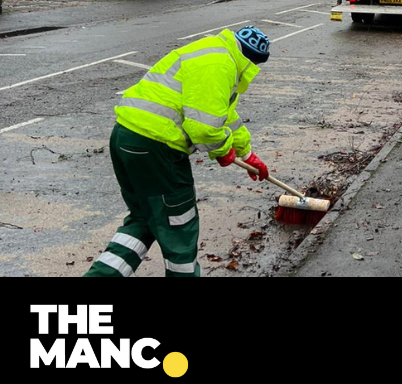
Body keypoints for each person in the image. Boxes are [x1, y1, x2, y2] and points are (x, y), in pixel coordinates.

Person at [84, 26, 272, 277]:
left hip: (126, 138)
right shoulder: (221, 66)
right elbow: (205, 129)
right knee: (180, 227)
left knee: (145, 220)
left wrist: (247, 154)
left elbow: (224, 115)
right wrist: (223, 150)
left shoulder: (212, 52)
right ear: (251, 61)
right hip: (157, 149)